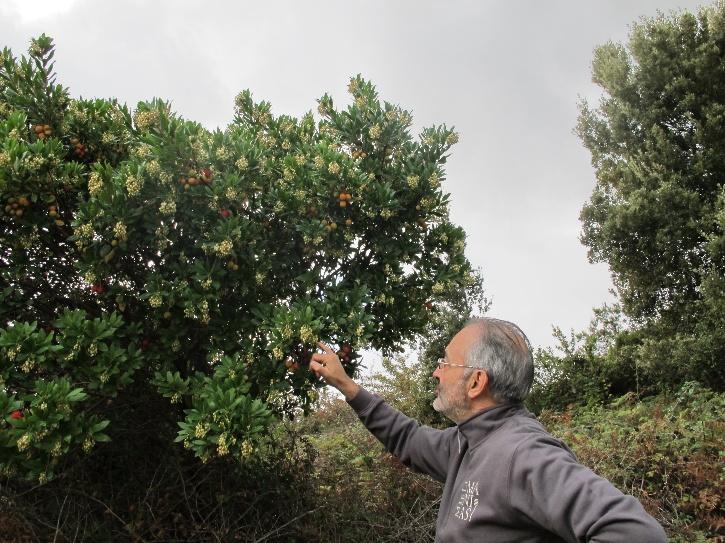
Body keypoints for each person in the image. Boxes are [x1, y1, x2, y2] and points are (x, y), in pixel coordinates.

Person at [309, 317, 667, 542]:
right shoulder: (467, 442)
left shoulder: (523, 453)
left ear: (476, 381)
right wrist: (348, 387)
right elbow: (408, 439)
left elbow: (636, 532)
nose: (436, 372)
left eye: (445, 362)